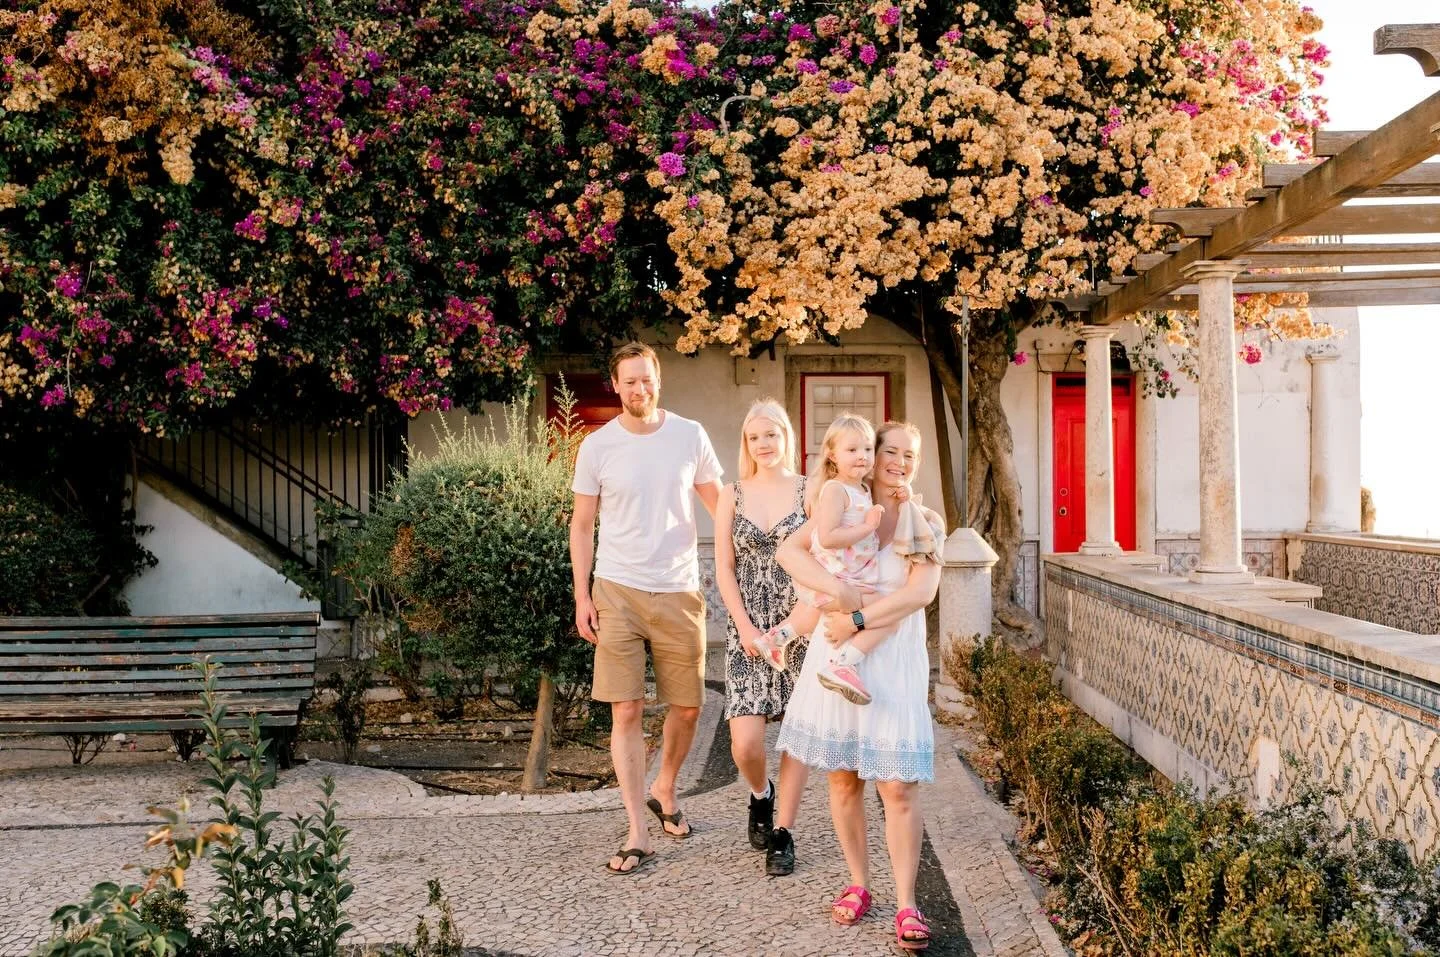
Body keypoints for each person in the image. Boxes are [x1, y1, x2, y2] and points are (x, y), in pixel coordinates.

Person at [775, 420, 945, 951]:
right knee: (844, 777)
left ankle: (907, 902)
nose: (898, 462)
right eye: (890, 450)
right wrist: (838, 591)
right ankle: (858, 882)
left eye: (909, 454)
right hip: (836, 652)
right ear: (872, 455)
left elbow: (921, 593)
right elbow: (791, 551)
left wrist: (858, 619)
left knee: (897, 786)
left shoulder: (925, 520)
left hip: (891, 659)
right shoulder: (848, 506)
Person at [570, 341, 723, 876]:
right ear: (616, 385)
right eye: (629, 381)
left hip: (679, 589)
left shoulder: (690, 435)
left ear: (659, 379)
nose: (640, 389)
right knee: (627, 709)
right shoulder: (598, 446)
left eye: (647, 379)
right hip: (617, 590)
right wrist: (582, 594)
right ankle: (637, 829)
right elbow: (582, 526)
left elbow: (721, 507)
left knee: (689, 707)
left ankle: (666, 787)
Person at [712, 398, 812, 876]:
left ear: (785, 436)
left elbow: (823, 557)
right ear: (746, 443)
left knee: (796, 738)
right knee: (746, 745)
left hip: (798, 628)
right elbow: (724, 567)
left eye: (771, 434)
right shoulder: (731, 494)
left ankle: (783, 834)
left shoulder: (808, 490)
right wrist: (748, 629)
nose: (763, 444)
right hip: (748, 631)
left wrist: (794, 624)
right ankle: (760, 794)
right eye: (754, 437)